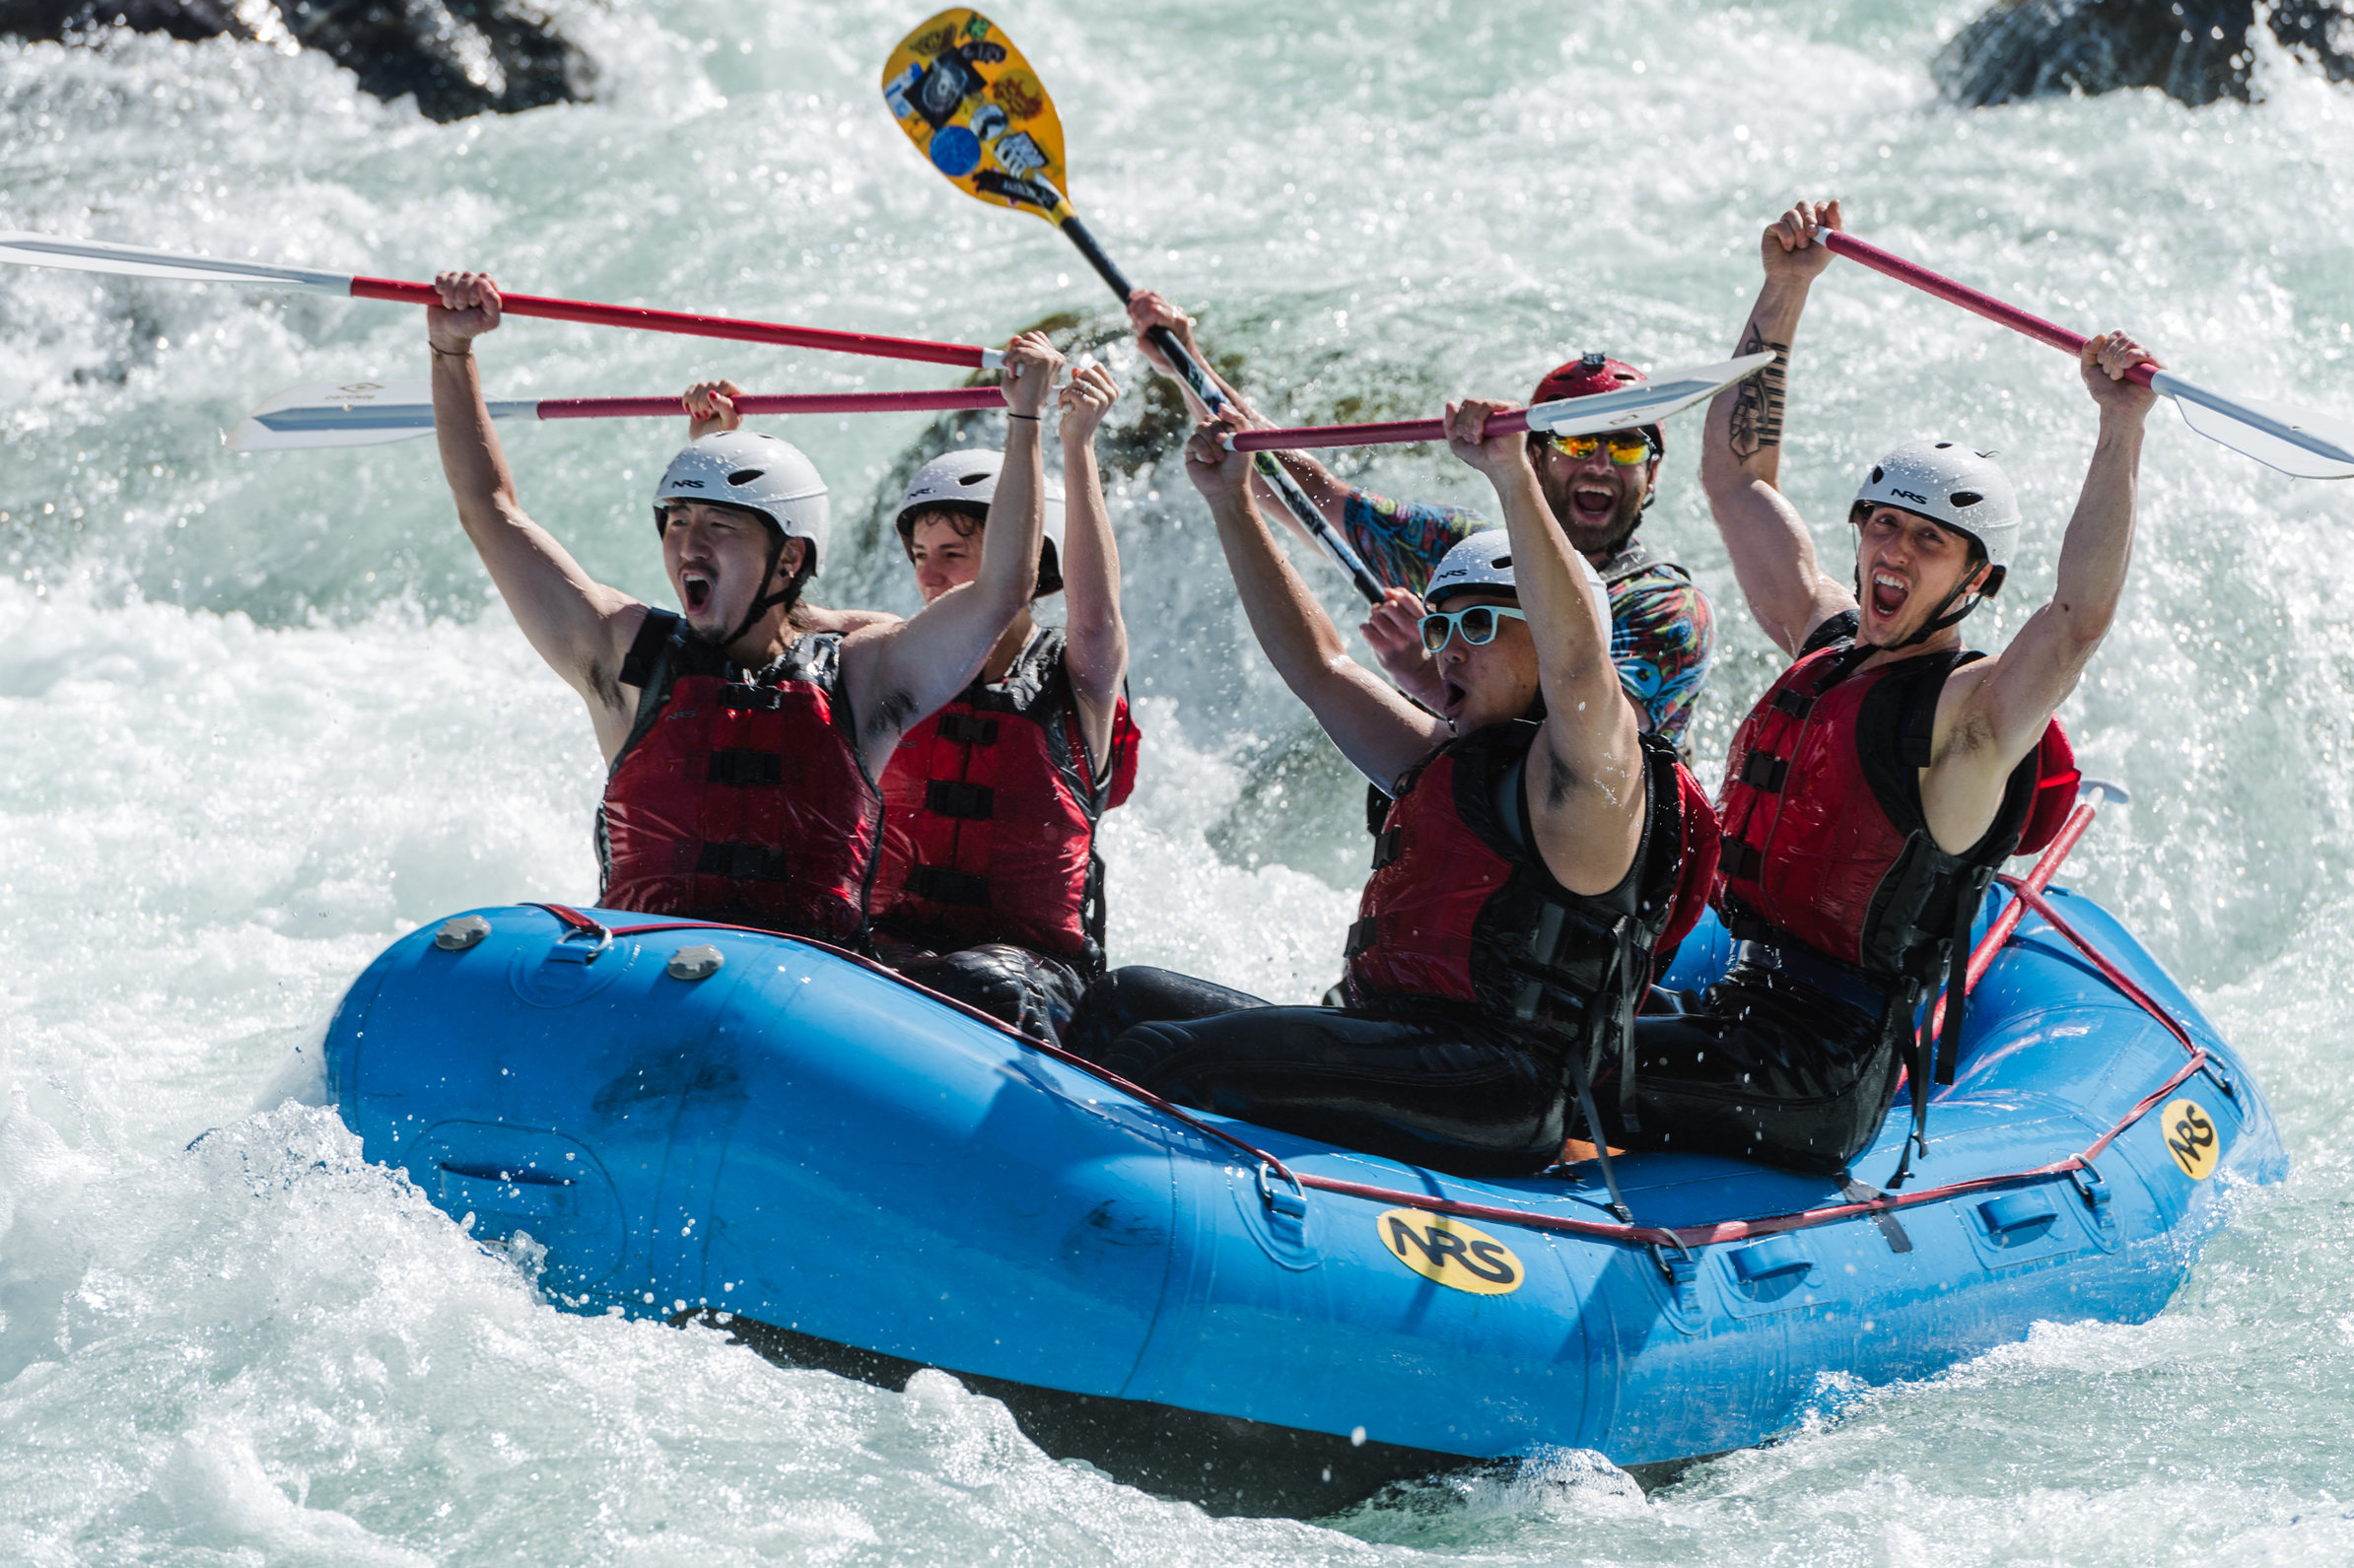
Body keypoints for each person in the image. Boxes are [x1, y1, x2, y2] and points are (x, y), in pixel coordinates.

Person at [1612, 199, 2140, 1182]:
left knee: (1554, 1066)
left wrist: (2117, 424)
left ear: (1976, 583)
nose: (1893, 552)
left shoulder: (1966, 716)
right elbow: (1735, 483)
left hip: (1815, 1069)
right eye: (1882, 528)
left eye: (1929, 542)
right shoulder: (1826, 645)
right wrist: (1784, 286)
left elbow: (2076, 620)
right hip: (1738, 1005)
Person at [1067, 395, 1715, 1176]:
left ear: (1543, 640)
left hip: (1500, 1084)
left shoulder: (1588, 778)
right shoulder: (1442, 752)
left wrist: (1511, 474)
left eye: (1478, 628)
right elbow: (1319, 667)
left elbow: (1579, 661)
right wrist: (1232, 503)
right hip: (1402, 1043)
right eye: (1441, 629)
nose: (1448, 654)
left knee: (1161, 1057)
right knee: (1123, 1000)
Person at [423, 269, 1063, 945]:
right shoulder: (623, 657)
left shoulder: (863, 677)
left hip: (802, 988)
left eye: (718, 527)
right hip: (645, 969)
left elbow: (1001, 589)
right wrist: (451, 353)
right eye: (676, 521)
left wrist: (1026, 420)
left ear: (789, 560)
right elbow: (491, 512)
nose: (687, 545)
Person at [1125, 293, 1713, 748]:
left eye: (1629, 449)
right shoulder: (1467, 555)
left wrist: (1431, 682)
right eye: (1581, 447)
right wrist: (1188, 367)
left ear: (1654, 476)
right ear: (1534, 459)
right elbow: (1298, 491)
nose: (1605, 465)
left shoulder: (1665, 607)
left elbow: (1594, 755)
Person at [857, 358, 1141, 1042]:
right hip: (894, 954)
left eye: (952, 552)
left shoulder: (1078, 684)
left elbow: (1096, 618)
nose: (928, 574)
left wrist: (1074, 443)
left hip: (1029, 982)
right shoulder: (887, 666)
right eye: (918, 554)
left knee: (984, 983)